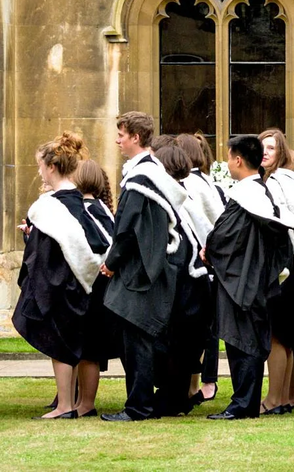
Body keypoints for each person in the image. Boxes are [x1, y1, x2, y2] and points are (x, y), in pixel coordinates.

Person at [101, 112, 188, 422]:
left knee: (137, 342)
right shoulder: (152, 173)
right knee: (139, 341)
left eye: (122, 135)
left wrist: (110, 264)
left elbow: (125, 230)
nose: (117, 140)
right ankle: (148, 402)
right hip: (151, 267)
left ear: (136, 137)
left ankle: (138, 406)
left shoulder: (141, 179)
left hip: (141, 271)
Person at [203, 136, 294, 420]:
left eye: (230, 157)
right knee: (251, 341)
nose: (228, 162)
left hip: (240, 282)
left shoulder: (245, 197)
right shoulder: (263, 194)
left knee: (242, 342)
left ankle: (242, 404)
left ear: (238, 160)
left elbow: (223, 238)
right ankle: (247, 401)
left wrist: (210, 250)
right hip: (258, 281)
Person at [12, 132, 102, 419]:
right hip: (86, 285)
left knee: (60, 344)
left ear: (52, 167)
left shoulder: (49, 207)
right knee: (81, 345)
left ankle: (64, 405)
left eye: (40, 165)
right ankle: (79, 404)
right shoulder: (83, 202)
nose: (39, 170)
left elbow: (43, 256)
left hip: (60, 286)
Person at [153, 144, 215, 419]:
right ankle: (176, 398)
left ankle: (172, 398)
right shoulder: (180, 197)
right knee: (180, 346)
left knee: (176, 345)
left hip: (186, 281)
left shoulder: (177, 199)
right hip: (193, 280)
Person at [257, 129, 294, 415]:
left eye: (271, 148)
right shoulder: (275, 181)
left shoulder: (280, 182)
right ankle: (286, 397)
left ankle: (275, 398)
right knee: (285, 338)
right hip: (291, 269)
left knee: (278, 337)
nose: (265, 152)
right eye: (262, 148)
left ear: (281, 153)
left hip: (286, 270)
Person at [174, 134, 225, 408]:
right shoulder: (206, 182)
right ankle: (204, 382)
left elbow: (212, 221)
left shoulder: (193, 183)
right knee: (207, 328)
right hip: (209, 261)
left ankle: (202, 383)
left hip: (201, 261)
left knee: (203, 329)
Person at [74, 159, 121, 418]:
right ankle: (82, 400)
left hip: (95, 285)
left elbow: (97, 245)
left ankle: (86, 403)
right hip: (104, 286)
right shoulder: (102, 207)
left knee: (88, 349)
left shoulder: (86, 210)